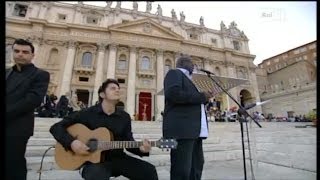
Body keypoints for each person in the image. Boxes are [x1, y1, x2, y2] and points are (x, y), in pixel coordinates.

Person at [49, 79, 158, 180]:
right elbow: (56, 127)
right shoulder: (87, 113)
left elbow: (128, 141)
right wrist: (72, 142)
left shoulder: (124, 117)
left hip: (118, 158)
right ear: (102, 94)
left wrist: (142, 149)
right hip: (93, 162)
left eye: (118, 89)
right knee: (97, 175)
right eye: (113, 88)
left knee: (149, 172)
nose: (117, 90)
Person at [162, 55, 214, 180]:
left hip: (195, 130)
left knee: (197, 166)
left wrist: (206, 99)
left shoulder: (192, 80)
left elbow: (193, 100)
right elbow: (173, 94)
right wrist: (202, 97)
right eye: (193, 64)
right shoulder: (174, 73)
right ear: (185, 63)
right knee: (182, 169)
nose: (194, 67)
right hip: (182, 130)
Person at [6, 39, 50, 180]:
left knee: (13, 165)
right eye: (17, 51)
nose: (20, 54)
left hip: (18, 128)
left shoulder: (40, 74)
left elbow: (32, 100)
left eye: (25, 52)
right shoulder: (7, 73)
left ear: (32, 55)